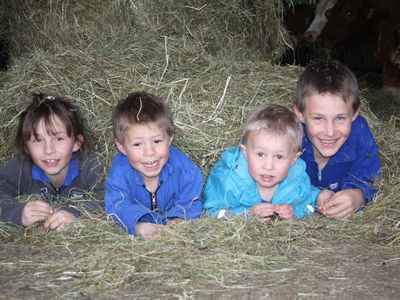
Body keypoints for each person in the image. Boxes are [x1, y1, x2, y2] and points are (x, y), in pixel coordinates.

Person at [0, 93, 104, 232]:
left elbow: (112, 198)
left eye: (59, 139)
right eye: (38, 140)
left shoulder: (91, 166)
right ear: (26, 147)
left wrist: (76, 214)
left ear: (76, 143)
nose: (48, 150)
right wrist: (18, 213)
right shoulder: (21, 167)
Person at [104, 91, 203, 236]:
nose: (149, 152)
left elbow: (191, 200)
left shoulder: (186, 172)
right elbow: (116, 205)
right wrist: (138, 226)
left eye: (157, 141)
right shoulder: (120, 172)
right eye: (137, 144)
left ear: (169, 139)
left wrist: (179, 219)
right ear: (122, 147)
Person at [293, 60, 382, 219]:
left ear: (354, 113)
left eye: (340, 118)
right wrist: (313, 195)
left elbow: (370, 175)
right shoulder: (289, 137)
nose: (330, 132)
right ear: (300, 114)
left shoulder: (359, 132)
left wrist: (357, 196)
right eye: (318, 118)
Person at [203, 104, 319, 221]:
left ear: (293, 159)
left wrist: (295, 211)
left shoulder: (298, 182)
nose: (268, 166)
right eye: (260, 154)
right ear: (245, 153)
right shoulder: (228, 182)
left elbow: (312, 206)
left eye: (279, 157)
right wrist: (247, 214)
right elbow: (211, 212)